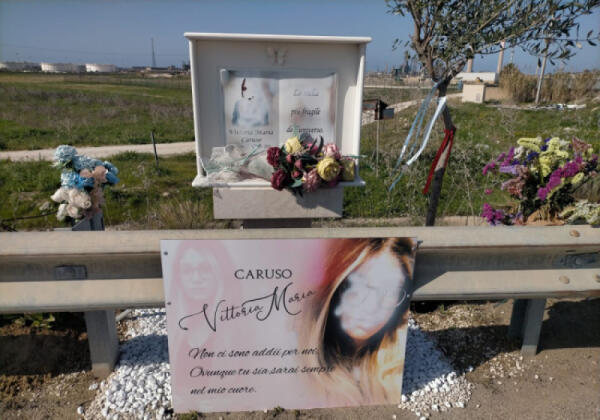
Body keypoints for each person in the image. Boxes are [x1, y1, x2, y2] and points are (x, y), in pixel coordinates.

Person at [300, 238, 416, 405]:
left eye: (390, 291)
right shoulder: (296, 360)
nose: (372, 307)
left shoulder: (391, 370)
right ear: (337, 287)